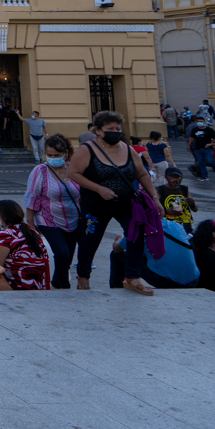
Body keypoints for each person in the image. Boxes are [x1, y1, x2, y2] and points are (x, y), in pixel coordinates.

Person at [67, 110, 163, 295]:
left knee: (136, 235)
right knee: (90, 240)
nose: (115, 131)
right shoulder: (87, 149)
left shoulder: (128, 149)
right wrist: (99, 189)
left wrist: (155, 197)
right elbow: (73, 173)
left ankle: (132, 276)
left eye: (118, 128)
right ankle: (83, 277)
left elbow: (142, 173)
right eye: (110, 128)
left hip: (126, 204)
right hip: (96, 206)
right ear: (98, 130)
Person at [23, 134, 80, 290]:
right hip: (48, 219)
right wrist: (30, 222)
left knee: (67, 257)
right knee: (62, 253)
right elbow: (32, 196)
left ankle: (55, 283)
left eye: (57, 155)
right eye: (49, 155)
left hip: (73, 220)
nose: (52, 158)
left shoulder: (74, 169)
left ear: (66, 153)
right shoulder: (40, 171)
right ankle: (63, 286)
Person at [0, 200, 50, 290]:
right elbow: (8, 245)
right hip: (38, 284)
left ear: (3, 217)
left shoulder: (5, 235)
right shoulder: (31, 231)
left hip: (17, 284)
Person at [157, 168, 197, 232]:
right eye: (172, 177)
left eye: (178, 177)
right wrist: (166, 211)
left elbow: (195, 210)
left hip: (185, 224)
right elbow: (154, 210)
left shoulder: (184, 189)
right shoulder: (160, 190)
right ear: (166, 177)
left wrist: (192, 203)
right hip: (169, 225)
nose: (175, 180)